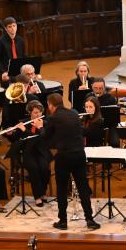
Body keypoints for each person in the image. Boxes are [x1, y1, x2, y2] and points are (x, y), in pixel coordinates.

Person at [44, 93, 100, 230]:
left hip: (63, 156)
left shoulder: (53, 118)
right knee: (83, 188)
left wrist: (41, 127)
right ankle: (90, 220)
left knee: (62, 189)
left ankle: (63, 221)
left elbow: (46, 137)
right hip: (79, 154)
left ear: (50, 105)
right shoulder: (74, 113)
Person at [10, 100, 52, 207]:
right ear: (30, 112)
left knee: (44, 169)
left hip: (41, 152)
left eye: (40, 112)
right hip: (27, 153)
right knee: (34, 169)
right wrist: (10, 133)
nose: (38, 115)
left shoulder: (45, 123)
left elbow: (40, 138)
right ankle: (37, 196)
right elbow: (15, 139)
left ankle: (42, 192)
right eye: (35, 113)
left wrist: (29, 130)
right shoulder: (24, 122)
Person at [0, 17, 25, 87]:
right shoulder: (0, 42)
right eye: (9, 27)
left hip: (19, 72)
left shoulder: (20, 40)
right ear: (5, 29)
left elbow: (23, 55)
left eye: (14, 26)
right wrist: (3, 72)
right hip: (7, 73)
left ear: (16, 26)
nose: (13, 28)